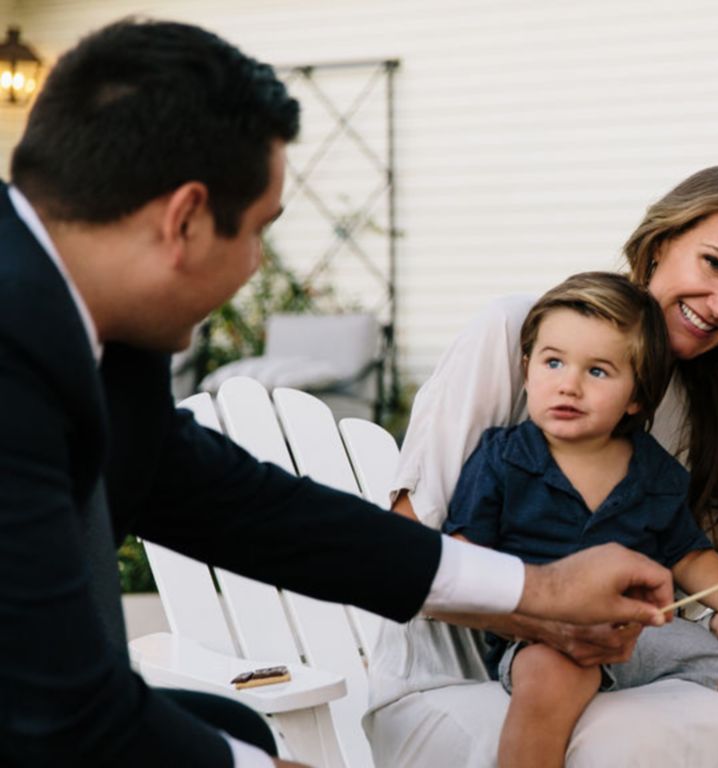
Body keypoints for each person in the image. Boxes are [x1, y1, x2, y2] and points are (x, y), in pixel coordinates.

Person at [0, 19, 679, 768]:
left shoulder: (104, 337)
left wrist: (535, 588)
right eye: (259, 232)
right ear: (185, 220)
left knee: (237, 727)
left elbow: (247, 508)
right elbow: (54, 710)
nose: (256, 265)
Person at [366, 165, 718, 766]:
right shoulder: (519, 334)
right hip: (451, 673)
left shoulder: (688, 413)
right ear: (661, 244)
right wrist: (551, 616)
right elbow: (403, 558)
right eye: (713, 263)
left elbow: (675, 573)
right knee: (619, 725)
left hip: (625, 649)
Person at [445, 272, 718, 767]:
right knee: (550, 680)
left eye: (598, 372)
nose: (568, 385)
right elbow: (464, 557)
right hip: (550, 634)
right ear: (527, 369)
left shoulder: (653, 469)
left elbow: (690, 553)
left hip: (650, 633)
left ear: (637, 395)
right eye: (553, 362)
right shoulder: (503, 460)